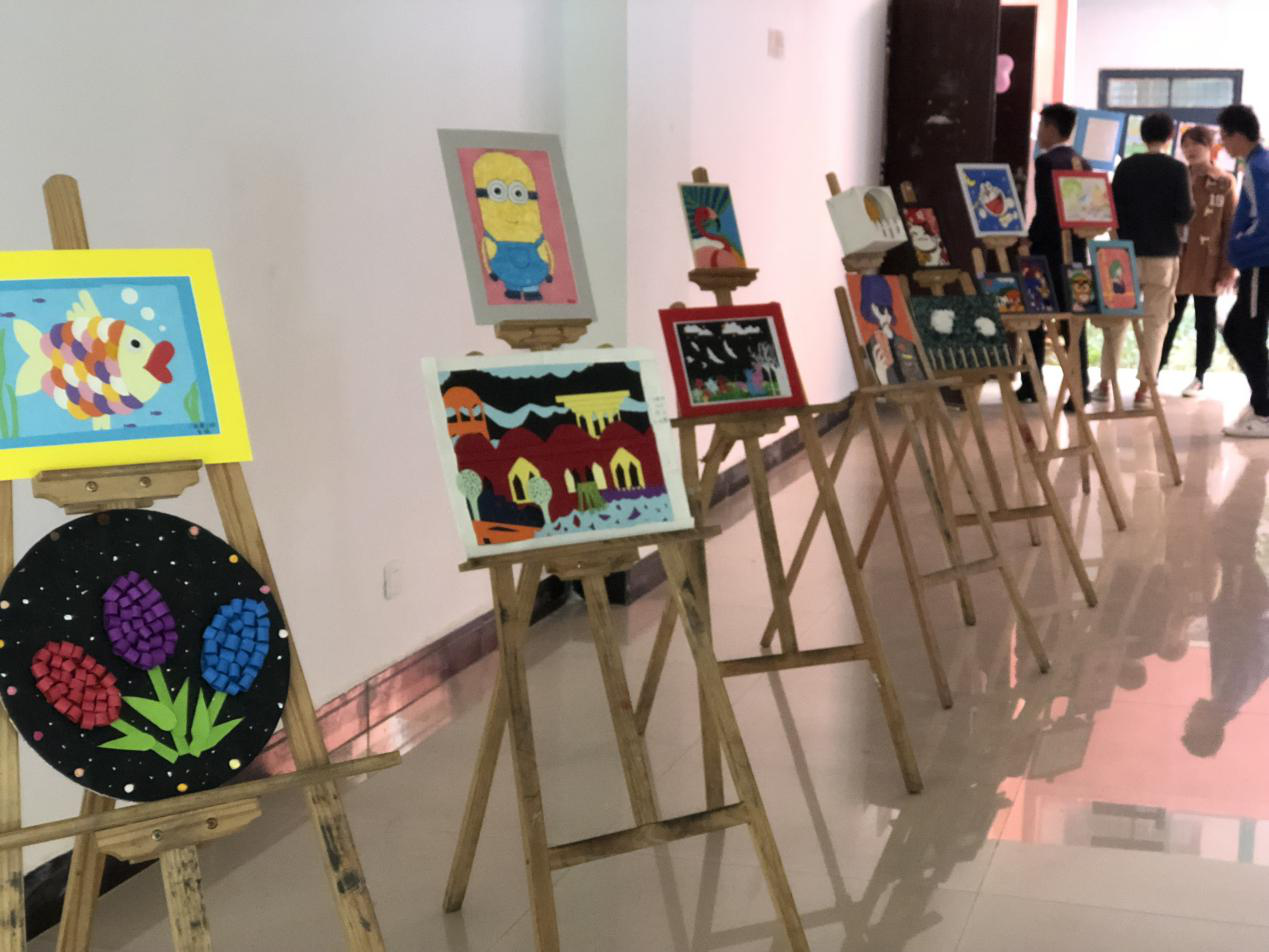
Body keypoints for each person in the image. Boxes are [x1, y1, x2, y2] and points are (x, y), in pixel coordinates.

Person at [1093, 112, 1193, 407]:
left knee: (1115, 319)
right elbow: (1184, 212)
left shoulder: (1126, 166)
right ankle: (1144, 387)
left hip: (1124, 254)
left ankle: (1105, 382)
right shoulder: (1177, 169)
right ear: (1170, 137)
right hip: (1163, 254)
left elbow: (1111, 206)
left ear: (1142, 135)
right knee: (1156, 322)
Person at [1020, 103, 1090, 407]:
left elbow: (1047, 212)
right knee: (1075, 322)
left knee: (1035, 315)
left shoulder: (1047, 162)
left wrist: (1029, 239)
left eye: (1040, 126)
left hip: (1047, 255)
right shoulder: (1082, 163)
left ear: (1050, 127)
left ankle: (1032, 384)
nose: (1038, 133)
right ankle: (1080, 388)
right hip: (1077, 254)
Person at [1159, 125, 1237, 397]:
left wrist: (1228, 267)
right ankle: (1154, 371)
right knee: (1168, 316)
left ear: (1209, 147)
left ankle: (1200, 375)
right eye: (1186, 145)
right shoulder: (1176, 176)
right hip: (1176, 258)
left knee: (1205, 320)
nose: (1190, 150)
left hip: (1208, 261)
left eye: (1196, 144)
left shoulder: (1224, 181)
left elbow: (1230, 225)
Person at [1218, 104, 1269, 437]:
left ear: (1238, 135)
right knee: (1240, 331)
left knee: (1245, 333)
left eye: (1224, 136)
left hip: (1261, 263)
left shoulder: (1259, 168)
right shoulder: (1256, 164)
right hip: (1256, 263)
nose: (1223, 143)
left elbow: (1264, 222)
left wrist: (1237, 246)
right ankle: (1262, 399)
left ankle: (1264, 412)